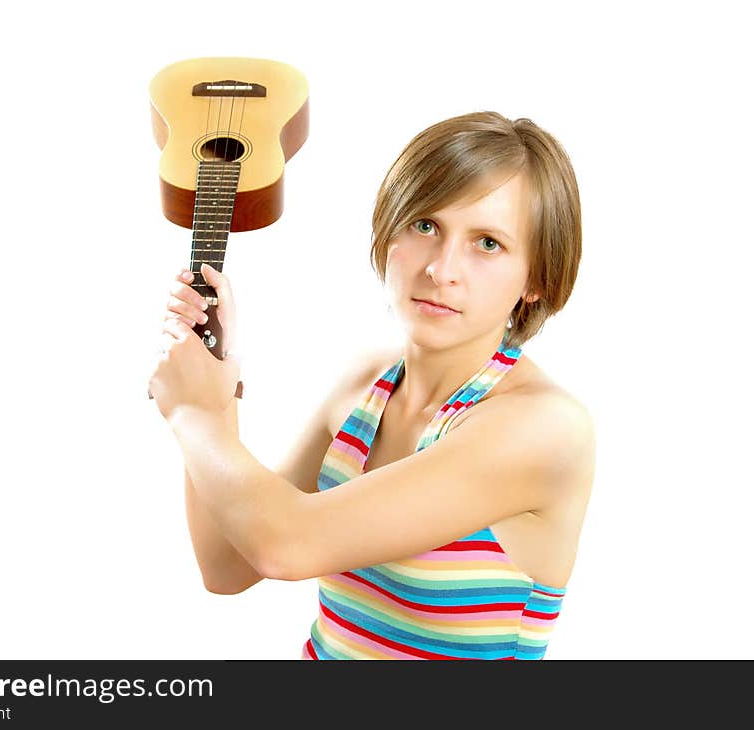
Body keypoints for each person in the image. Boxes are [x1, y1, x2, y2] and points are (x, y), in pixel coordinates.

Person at [148, 110, 596, 660]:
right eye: (426, 225)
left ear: (536, 278)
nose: (441, 269)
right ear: (390, 231)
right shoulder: (367, 385)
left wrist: (194, 413)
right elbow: (227, 564)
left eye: (487, 243)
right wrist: (215, 388)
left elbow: (286, 544)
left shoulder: (543, 428)